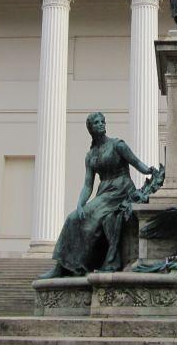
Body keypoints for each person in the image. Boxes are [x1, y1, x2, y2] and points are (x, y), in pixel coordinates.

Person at [40, 113, 161, 278]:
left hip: (122, 190)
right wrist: (80, 204)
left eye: (102, 122)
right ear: (90, 128)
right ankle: (63, 266)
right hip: (104, 193)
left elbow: (136, 162)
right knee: (73, 218)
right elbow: (88, 185)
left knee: (90, 219)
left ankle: (69, 267)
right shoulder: (91, 156)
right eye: (96, 123)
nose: (101, 124)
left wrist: (149, 171)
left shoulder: (117, 145)